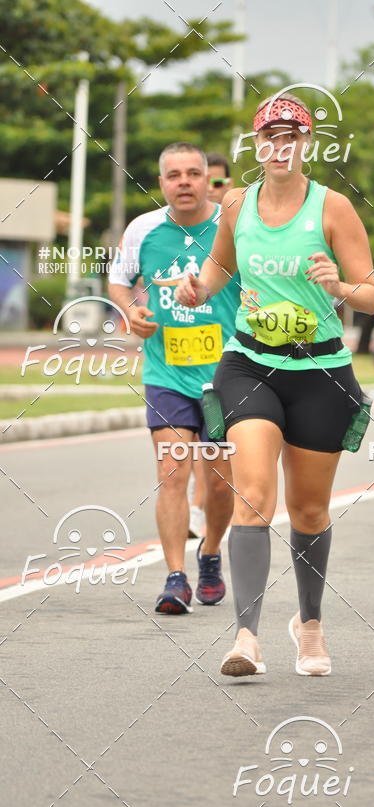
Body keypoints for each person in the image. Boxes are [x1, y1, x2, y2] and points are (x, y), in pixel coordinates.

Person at [175, 93, 374, 677]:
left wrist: (337, 285)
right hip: (249, 365)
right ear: (257, 145)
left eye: (291, 136)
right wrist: (198, 289)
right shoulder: (236, 205)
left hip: (319, 371)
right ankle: (246, 637)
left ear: (305, 143)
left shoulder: (332, 208)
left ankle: (309, 624)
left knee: (309, 510)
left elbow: (370, 295)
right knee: (254, 496)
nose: (279, 146)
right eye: (270, 136)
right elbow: (220, 267)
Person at [108, 142, 239, 614]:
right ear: (161, 183)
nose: (184, 182)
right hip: (167, 373)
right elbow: (118, 280)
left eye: (193, 173)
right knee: (172, 474)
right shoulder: (144, 229)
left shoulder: (232, 226)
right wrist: (132, 311)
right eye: (173, 175)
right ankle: (175, 577)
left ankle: (209, 553)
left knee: (221, 486)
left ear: (209, 179)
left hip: (227, 375)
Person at [188, 152, 235, 539]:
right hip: (185, 358)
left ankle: (207, 512)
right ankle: (195, 505)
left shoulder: (242, 229)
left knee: (218, 455)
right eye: (210, 182)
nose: (214, 189)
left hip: (231, 359)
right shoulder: (185, 230)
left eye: (221, 183)